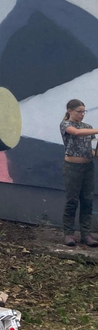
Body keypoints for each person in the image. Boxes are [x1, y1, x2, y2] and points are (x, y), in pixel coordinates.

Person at [60, 99, 98, 247]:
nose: (82, 114)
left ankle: (86, 235)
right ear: (70, 110)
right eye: (79, 111)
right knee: (72, 201)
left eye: (84, 111)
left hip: (88, 167)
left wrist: (95, 153)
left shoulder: (88, 127)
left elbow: (89, 149)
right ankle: (69, 234)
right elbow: (76, 133)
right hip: (72, 168)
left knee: (87, 201)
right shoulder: (66, 125)